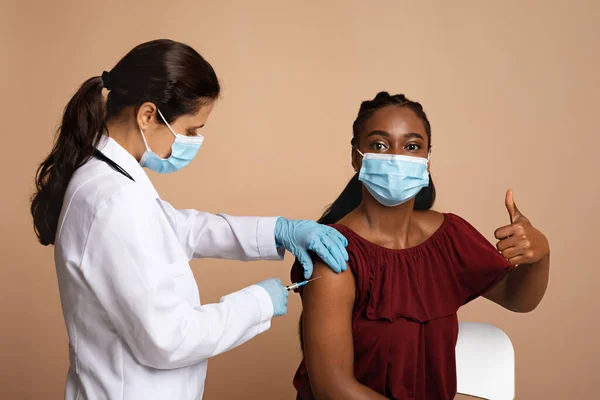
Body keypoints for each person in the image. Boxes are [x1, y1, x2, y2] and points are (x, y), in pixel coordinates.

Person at [30, 39, 349, 400]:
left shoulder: (114, 178)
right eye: (191, 130)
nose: (194, 141)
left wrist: (277, 231)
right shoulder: (111, 198)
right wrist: (258, 302)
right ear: (147, 115)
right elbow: (169, 340)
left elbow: (181, 229)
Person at [290, 92, 551, 400]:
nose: (396, 157)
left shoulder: (448, 237)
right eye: (379, 145)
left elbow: (517, 298)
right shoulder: (333, 253)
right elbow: (334, 389)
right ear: (356, 156)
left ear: (428, 158)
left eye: (412, 146)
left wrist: (540, 255)